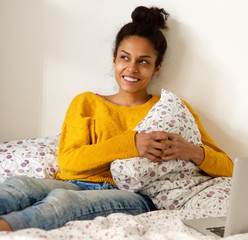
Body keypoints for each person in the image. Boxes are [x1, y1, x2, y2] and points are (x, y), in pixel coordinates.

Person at [0, 6, 233, 232]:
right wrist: (131, 144)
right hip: (72, 182)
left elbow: (229, 168)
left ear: (156, 67)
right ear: (114, 60)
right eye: (125, 57)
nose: (131, 68)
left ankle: (8, 228)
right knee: (21, 185)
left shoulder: (171, 109)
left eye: (143, 61)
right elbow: (69, 164)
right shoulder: (87, 103)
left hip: (131, 197)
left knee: (63, 202)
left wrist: (192, 151)